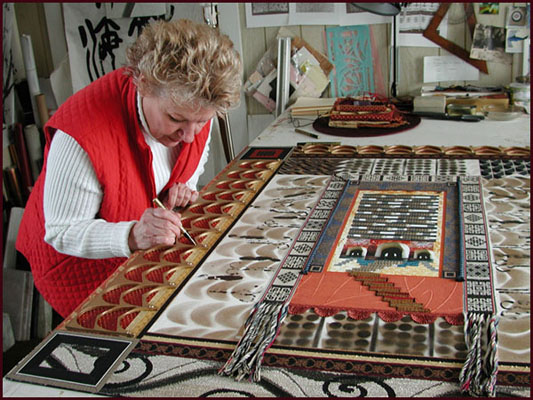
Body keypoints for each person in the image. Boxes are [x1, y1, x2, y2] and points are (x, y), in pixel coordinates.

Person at [16, 19, 243, 318]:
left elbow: (195, 155)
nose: (189, 135)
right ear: (143, 84)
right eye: (175, 119)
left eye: (201, 122)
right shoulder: (81, 135)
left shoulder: (196, 105)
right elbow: (61, 231)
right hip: (76, 268)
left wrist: (183, 186)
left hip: (139, 256)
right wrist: (133, 235)